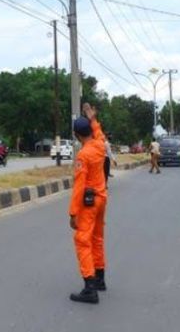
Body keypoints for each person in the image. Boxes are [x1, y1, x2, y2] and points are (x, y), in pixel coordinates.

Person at [68, 103, 108, 304]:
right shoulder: (100, 145)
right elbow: (99, 133)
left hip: (89, 202)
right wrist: (93, 119)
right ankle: (100, 278)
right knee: (97, 238)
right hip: (102, 198)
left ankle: (90, 288)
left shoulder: (83, 155)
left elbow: (79, 186)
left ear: (76, 135)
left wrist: (73, 213)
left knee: (82, 240)